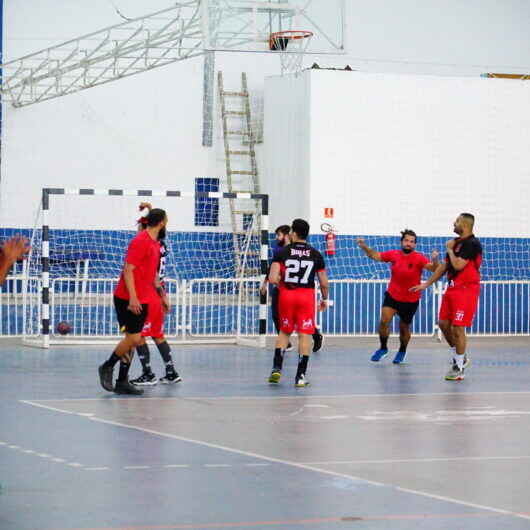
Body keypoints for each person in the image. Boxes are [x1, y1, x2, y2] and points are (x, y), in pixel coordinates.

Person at [98, 208, 168, 395]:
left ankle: (122, 381)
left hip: (143, 298)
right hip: (127, 298)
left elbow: (153, 273)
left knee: (131, 339)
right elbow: (128, 269)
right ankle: (107, 366)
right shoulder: (141, 241)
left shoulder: (155, 243)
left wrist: (162, 295)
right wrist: (133, 298)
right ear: (162, 221)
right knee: (134, 338)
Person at [411, 213, 482, 381]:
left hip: (466, 290)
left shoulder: (472, 244)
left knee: (458, 328)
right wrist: (425, 284)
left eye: (457, 221)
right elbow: (444, 266)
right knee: (443, 324)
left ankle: (458, 368)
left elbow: (458, 264)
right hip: (451, 289)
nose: (454, 222)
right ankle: (461, 356)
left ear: (464, 224)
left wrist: (449, 249)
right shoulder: (455, 243)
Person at [357, 230, 439, 364]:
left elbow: (434, 269)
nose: (409, 244)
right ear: (402, 242)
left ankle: (402, 350)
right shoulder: (393, 254)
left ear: (415, 244)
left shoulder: (419, 257)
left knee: (404, 328)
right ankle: (383, 348)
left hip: (410, 299)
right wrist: (363, 246)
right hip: (393, 295)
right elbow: (375, 255)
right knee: (384, 320)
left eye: (412, 242)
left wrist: (435, 260)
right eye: (406, 240)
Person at [267, 219, 329, 387]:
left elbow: (272, 278)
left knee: (284, 332)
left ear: (293, 233)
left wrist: (283, 281)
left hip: (286, 296)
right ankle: (300, 376)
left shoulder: (282, 252)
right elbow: (323, 282)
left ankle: (276, 369)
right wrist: (324, 299)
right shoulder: (316, 254)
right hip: (306, 297)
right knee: (305, 334)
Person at [128, 203, 181, 386]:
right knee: (157, 334)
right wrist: (149, 210)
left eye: (141, 226)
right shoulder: (160, 243)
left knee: (139, 335)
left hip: (149, 292)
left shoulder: (148, 244)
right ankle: (171, 371)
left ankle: (148, 373)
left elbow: (153, 275)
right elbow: (153, 222)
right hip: (157, 292)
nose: (139, 229)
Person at [260, 225, 324, 354]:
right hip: (281, 289)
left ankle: (316, 335)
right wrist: (265, 282)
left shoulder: (296, 251)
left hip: (296, 291)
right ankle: (286, 343)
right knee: (276, 316)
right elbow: (272, 268)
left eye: (279, 235)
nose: (277, 237)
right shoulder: (279, 250)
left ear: (288, 235)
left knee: (301, 321)